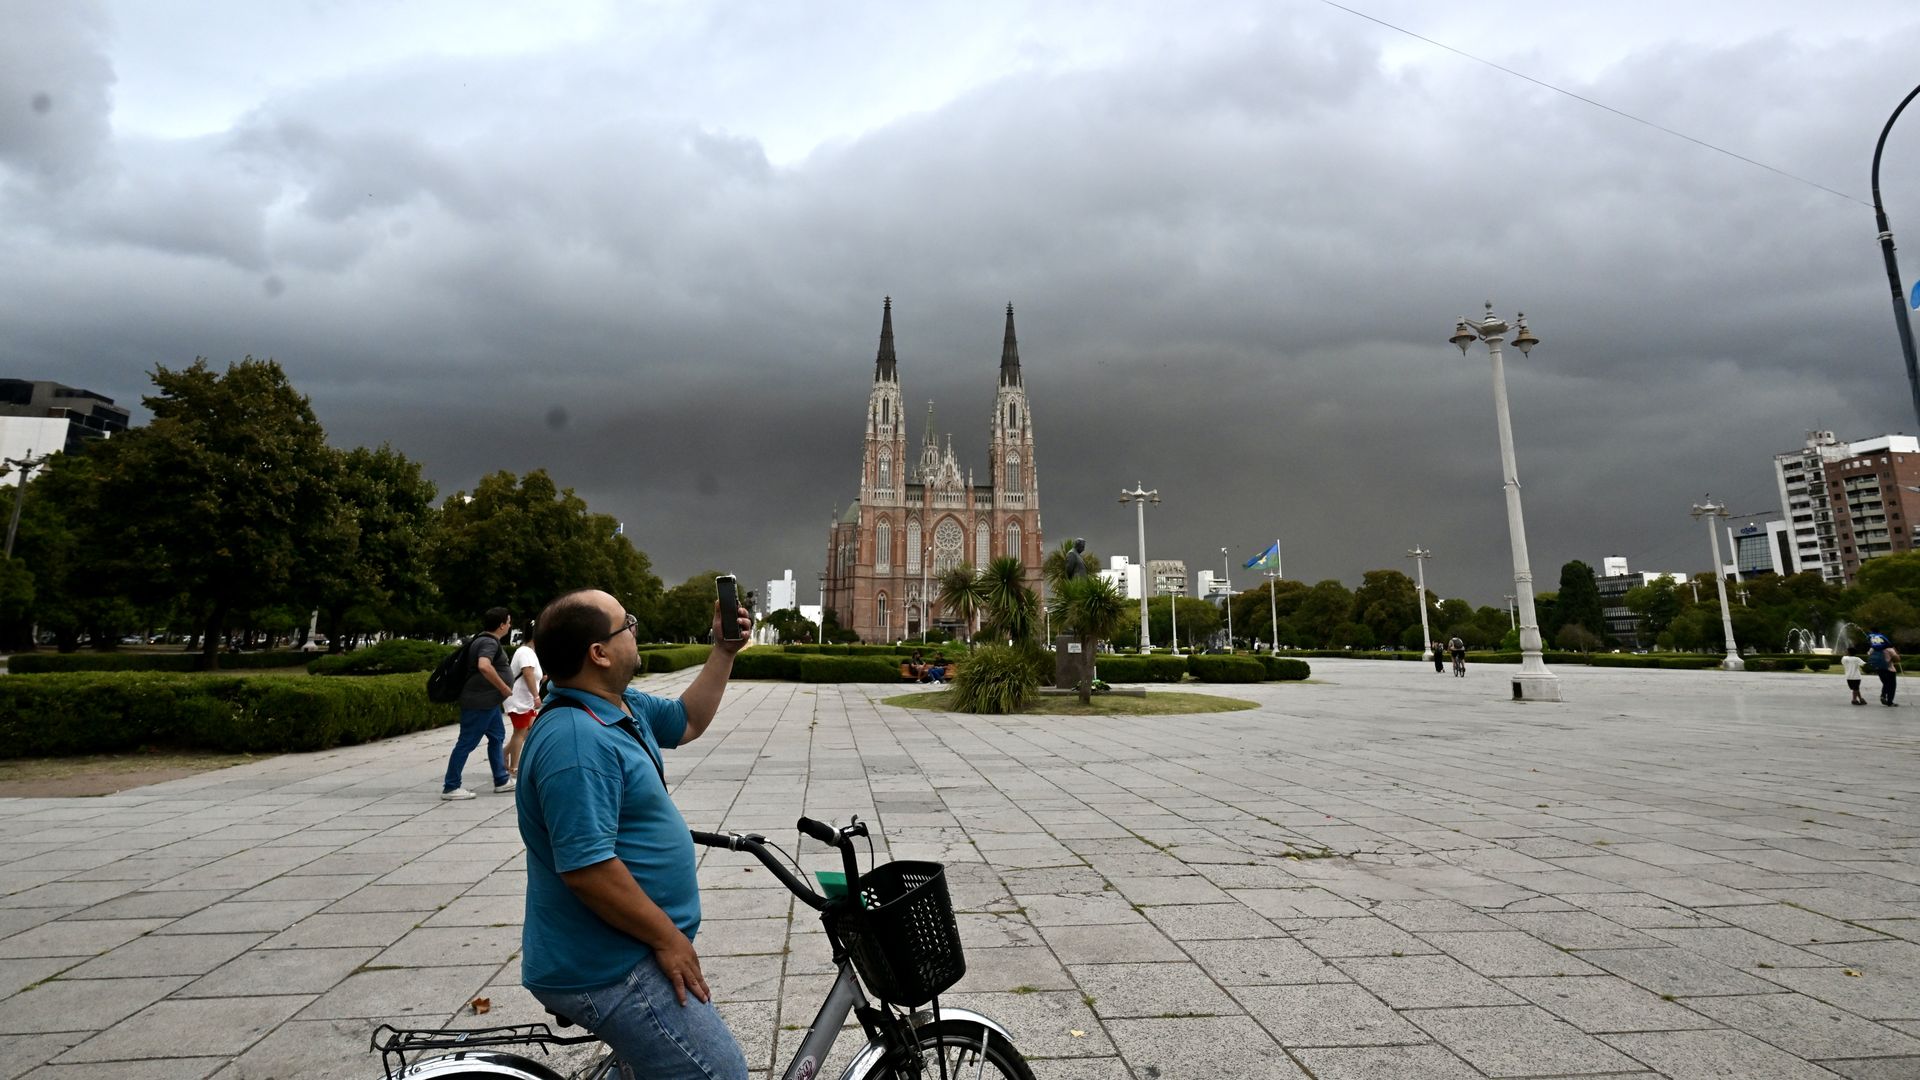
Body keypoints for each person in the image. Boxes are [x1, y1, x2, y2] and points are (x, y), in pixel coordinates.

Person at [517, 589, 752, 1080]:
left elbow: (687, 720)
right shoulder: (576, 740)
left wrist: (723, 650)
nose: (635, 630)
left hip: (626, 945)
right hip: (609, 963)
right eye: (627, 624)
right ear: (598, 653)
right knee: (719, 1073)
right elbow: (588, 869)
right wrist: (668, 939)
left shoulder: (617, 706)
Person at [443, 607, 516, 800]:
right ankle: (451, 786)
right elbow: (484, 665)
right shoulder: (488, 642)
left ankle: (501, 780)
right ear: (501, 625)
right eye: (509, 622)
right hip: (479, 702)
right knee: (467, 742)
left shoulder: (483, 639)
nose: (510, 625)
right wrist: (503, 687)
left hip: (488, 702)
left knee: (497, 737)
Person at [504, 624, 544, 778]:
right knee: (520, 733)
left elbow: (532, 674)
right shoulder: (525, 652)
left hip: (525, 701)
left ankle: (503, 754)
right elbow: (527, 673)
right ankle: (514, 768)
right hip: (520, 701)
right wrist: (536, 696)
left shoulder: (529, 652)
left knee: (530, 730)